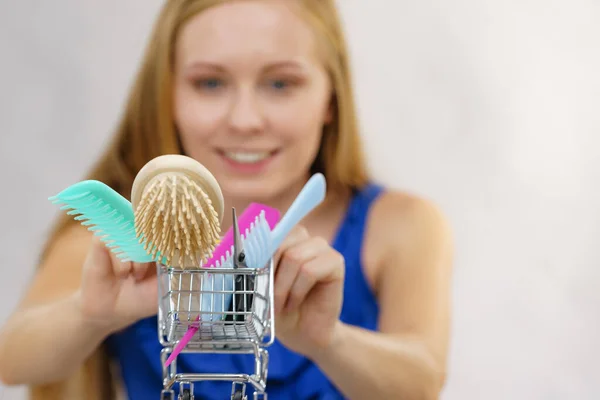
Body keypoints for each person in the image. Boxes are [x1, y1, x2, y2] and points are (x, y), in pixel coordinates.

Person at [0, 0, 453, 399]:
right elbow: (14, 359)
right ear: (168, 95)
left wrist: (327, 340)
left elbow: (422, 383)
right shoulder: (123, 238)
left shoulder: (401, 225)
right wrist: (89, 315)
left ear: (330, 97)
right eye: (210, 84)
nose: (245, 120)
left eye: (280, 84)